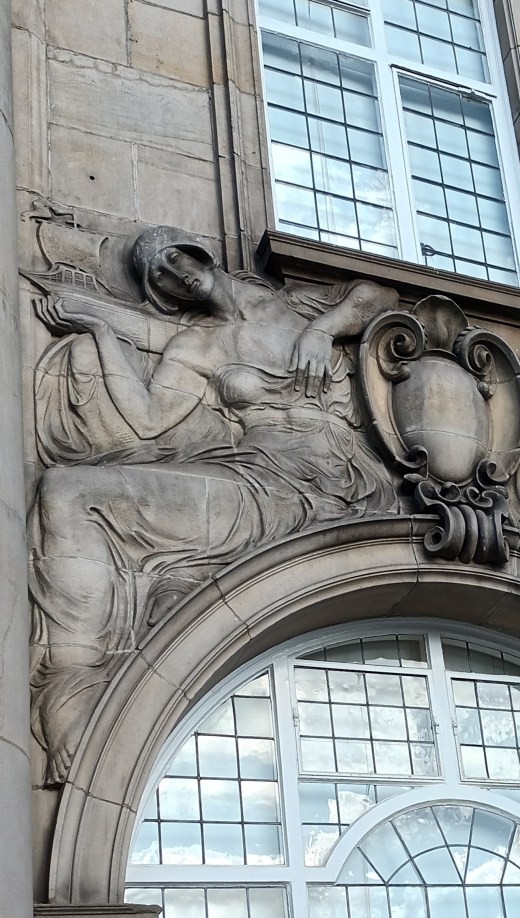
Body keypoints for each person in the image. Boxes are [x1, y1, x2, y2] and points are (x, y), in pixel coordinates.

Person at [29, 225, 399, 783]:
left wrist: (322, 330)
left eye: (175, 258)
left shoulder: (298, 304)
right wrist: (102, 331)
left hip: (344, 480)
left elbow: (380, 296)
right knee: (67, 492)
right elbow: (147, 420)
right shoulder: (194, 347)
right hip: (262, 481)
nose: (175, 275)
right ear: (159, 292)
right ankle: (73, 689)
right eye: (160, 275)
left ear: (198, 253)